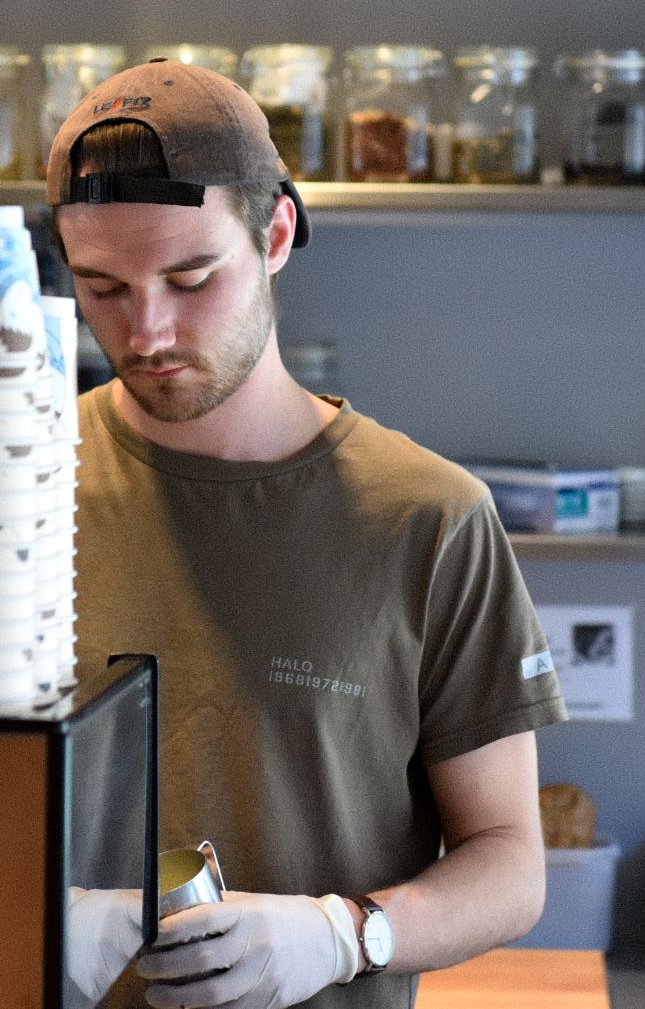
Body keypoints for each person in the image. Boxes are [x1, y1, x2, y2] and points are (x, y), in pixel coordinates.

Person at [51, 60, 567, 1009]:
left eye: (191, 276)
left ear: (277, 232)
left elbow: (509, 865)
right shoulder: (15, 483)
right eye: (103, 288)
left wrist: (346, 932)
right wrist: (35, 918)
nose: (148, 329)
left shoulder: (429, 518)